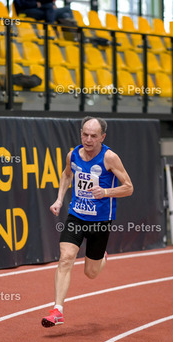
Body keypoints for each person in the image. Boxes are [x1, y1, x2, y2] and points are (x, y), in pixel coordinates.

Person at [42, 117, 133, 327]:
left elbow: (129, 187)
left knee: (90, 273)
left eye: (93, 136)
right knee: (66, 258)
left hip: (100, 221)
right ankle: (57, 310)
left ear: (102, 137)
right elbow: (67, 175)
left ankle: (101, 257)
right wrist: (59, 199)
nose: (88, 139)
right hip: (76, 215)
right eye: (85, 134)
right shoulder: (73, 155)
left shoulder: (110, 158)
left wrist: (106, 192)